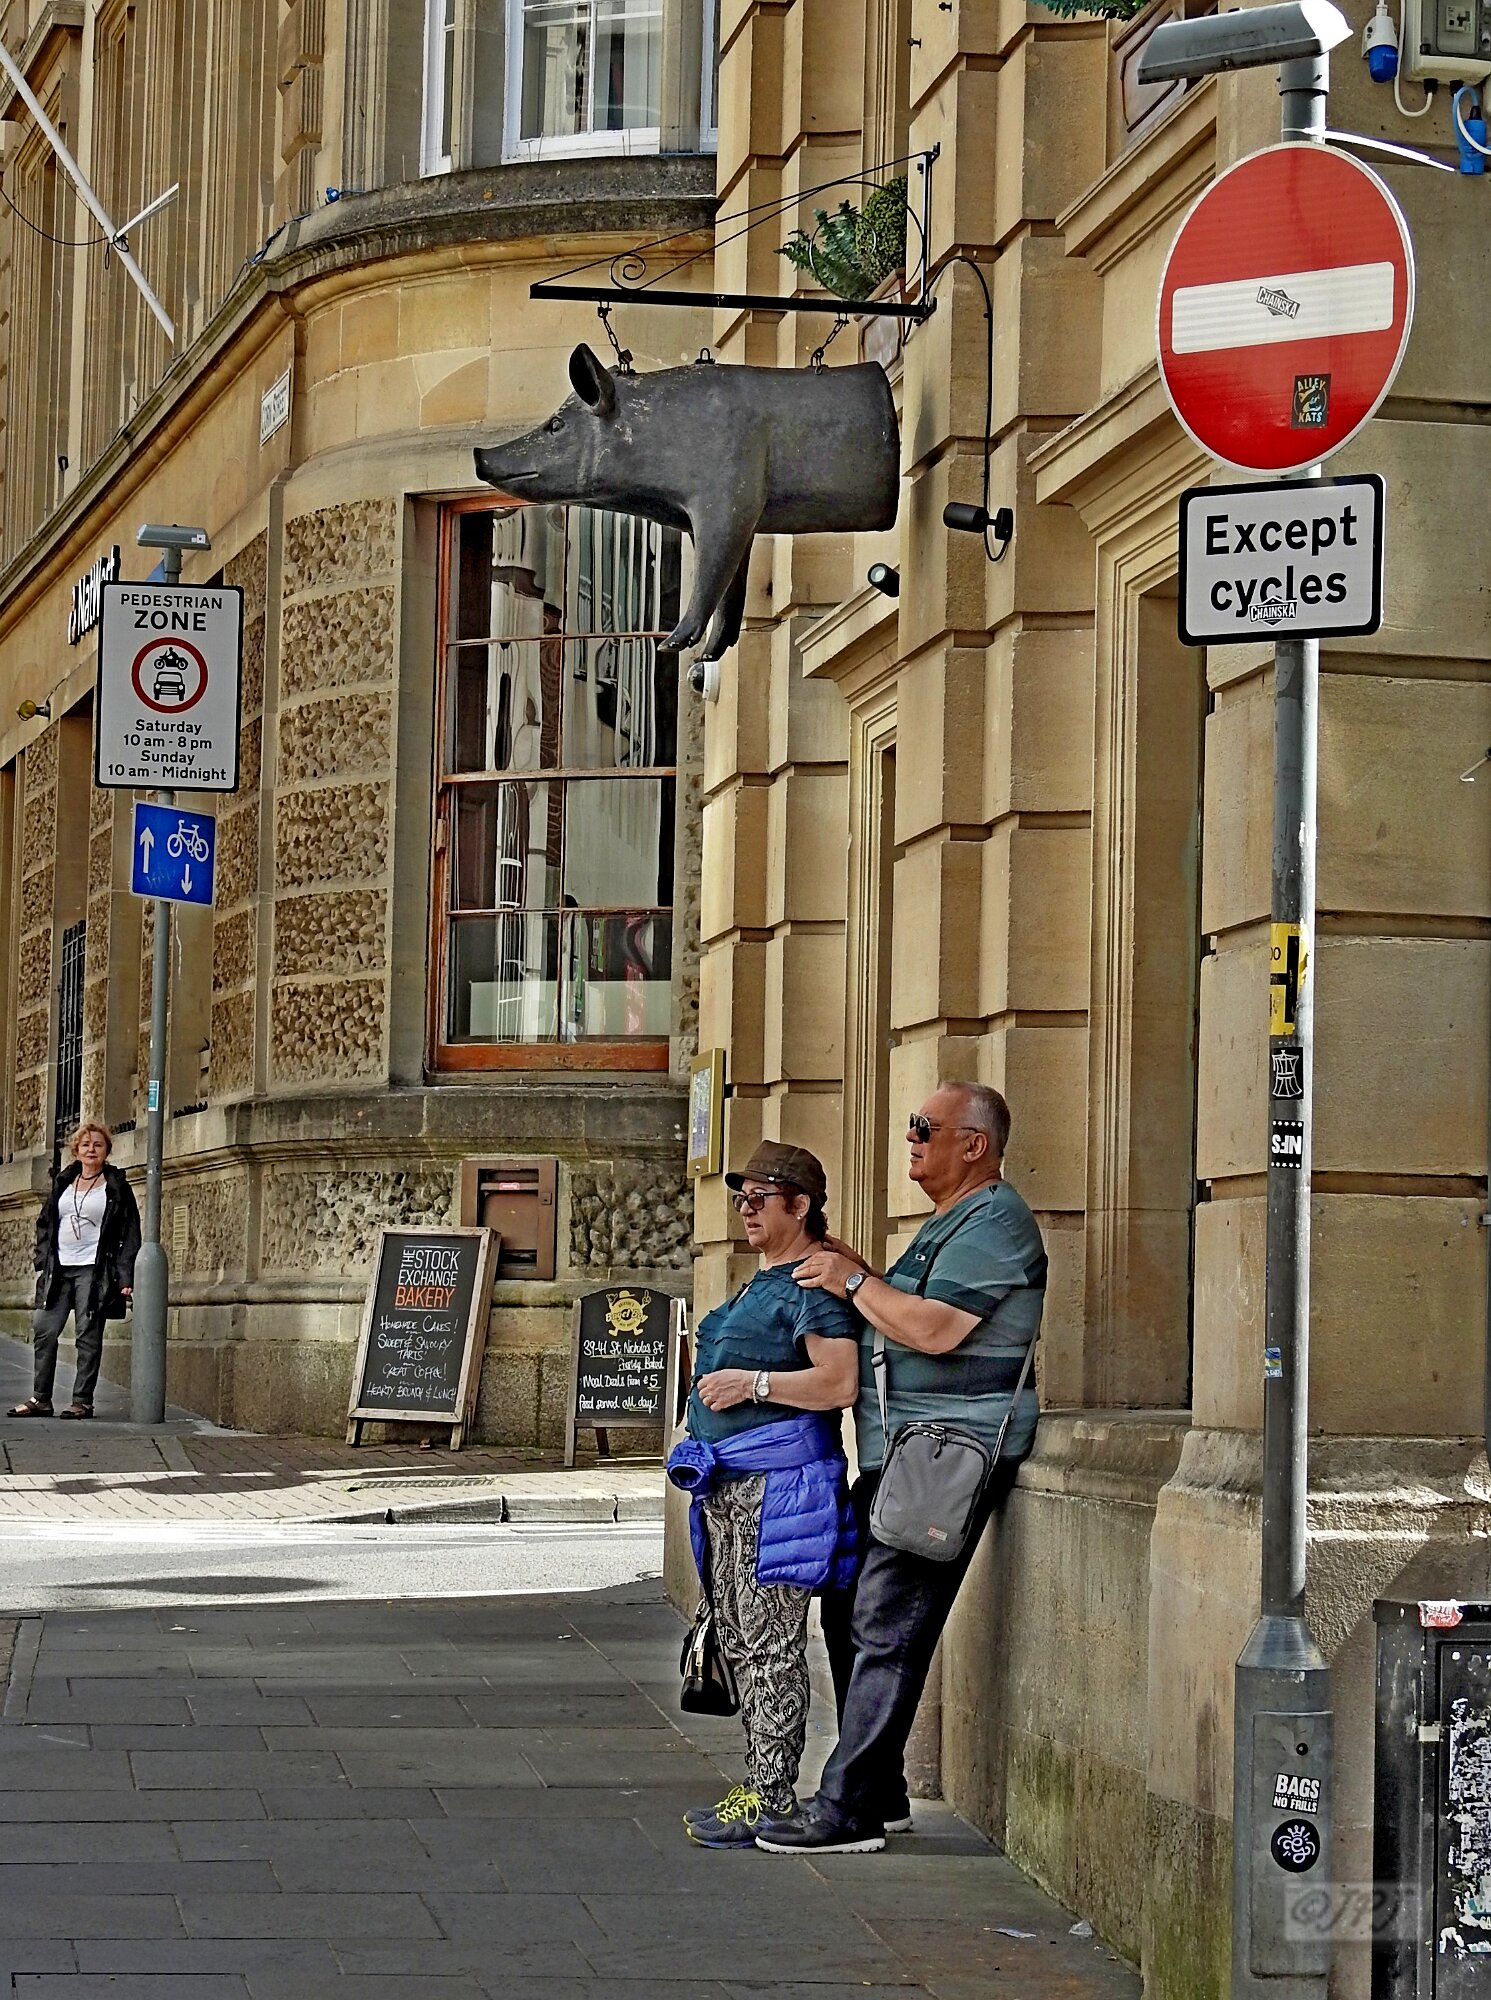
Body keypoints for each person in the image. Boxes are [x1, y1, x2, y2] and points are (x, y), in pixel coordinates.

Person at [755, 1082, 1045, 1855]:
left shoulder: (994, 1221)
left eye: (925, 1127)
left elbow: (935, 1328)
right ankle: (877, 1792)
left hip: (946, 1455)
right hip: (907, 1451)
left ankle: (846, 1810)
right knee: (845, 1604)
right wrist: (848, 1266)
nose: (910, 1138)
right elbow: (899, 1303)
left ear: (974, 1144)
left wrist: (853, 1281)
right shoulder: (951, 1221)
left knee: (886, 1626)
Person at [666, 1141, 861, 1848]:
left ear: (800, 1205)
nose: (744, 1210)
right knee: (742, 1638)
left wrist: (752, 1384)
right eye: (740, 1198)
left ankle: (771, 1800)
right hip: (731, 1483)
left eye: (758, 1198)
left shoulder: (812, 1285)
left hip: (778, 1490)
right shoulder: (765, 1280)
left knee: (770, 1643)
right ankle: (758, 1787)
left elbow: (838, 1382)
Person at [10, 1122, 140, 1420]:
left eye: (98, 1144)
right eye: (85, 1144)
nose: (91, 1149)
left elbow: (130, 1232)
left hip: (94, 1271)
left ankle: (82, 1401)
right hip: (58, 1270)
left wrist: (125, 1276)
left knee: (87, 1335)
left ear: (107, 1150)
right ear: (76, 1150)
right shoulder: (64, 1182)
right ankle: (40, 1399)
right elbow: (45, 1222)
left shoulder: (116, 1186)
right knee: (44, 1329)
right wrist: (43, 1258)